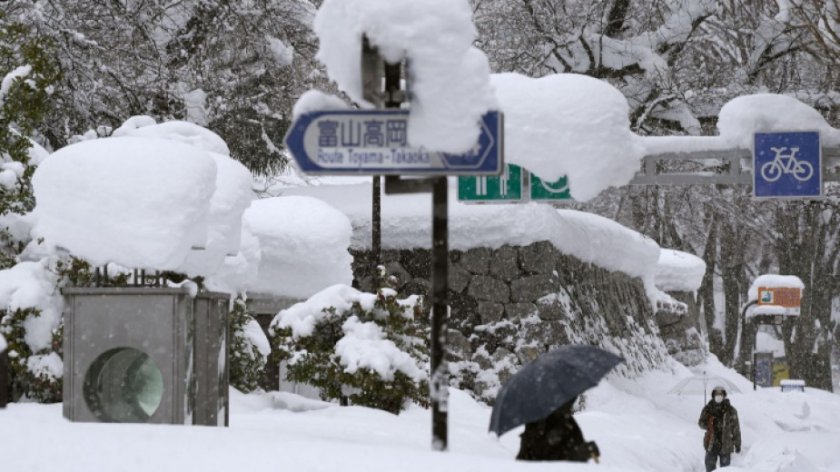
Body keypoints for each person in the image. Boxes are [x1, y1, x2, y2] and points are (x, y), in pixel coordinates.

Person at [516, 395, 600, 462]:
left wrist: (586, 452)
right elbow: (526, 461)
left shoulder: (569, 422)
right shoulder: (537, 421)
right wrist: (547, 442)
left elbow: (577, 453)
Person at [698, 385, 741, 471]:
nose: (718, 396)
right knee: (710, 468)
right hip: (711, 443)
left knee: (725, 470)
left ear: (724, 395)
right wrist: (709, 424)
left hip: (726, 444)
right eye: (716, 394)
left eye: (720, 394)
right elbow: (701, 423)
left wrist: (737, 444)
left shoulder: (731, 410)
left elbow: (735, 428)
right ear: (713, 395)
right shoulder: (708, 409)